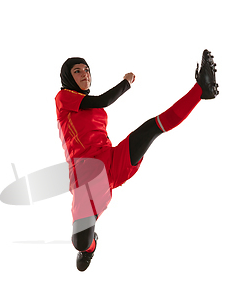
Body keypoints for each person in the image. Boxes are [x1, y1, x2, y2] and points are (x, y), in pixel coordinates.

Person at [55, 50, 218, 271]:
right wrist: (126, 83)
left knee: (151, 128)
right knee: (80, 243)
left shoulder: (92, 108)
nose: (85, 74)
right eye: (77, 71)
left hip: (110, 160)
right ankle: (90, 247)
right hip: (84, 176)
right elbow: (104, 99)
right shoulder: (63, 98)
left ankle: (201, 90)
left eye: (87, 70)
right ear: (67, 77)